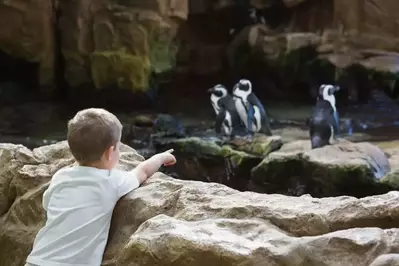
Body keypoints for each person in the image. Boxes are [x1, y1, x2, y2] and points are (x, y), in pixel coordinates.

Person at [25, 108, 177, 266]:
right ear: (110, 153)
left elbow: (47, 205)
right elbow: (142, 172)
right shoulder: (111, 181)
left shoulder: (61, 177)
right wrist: (161, 157)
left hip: (37, 260)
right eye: (118, 147)